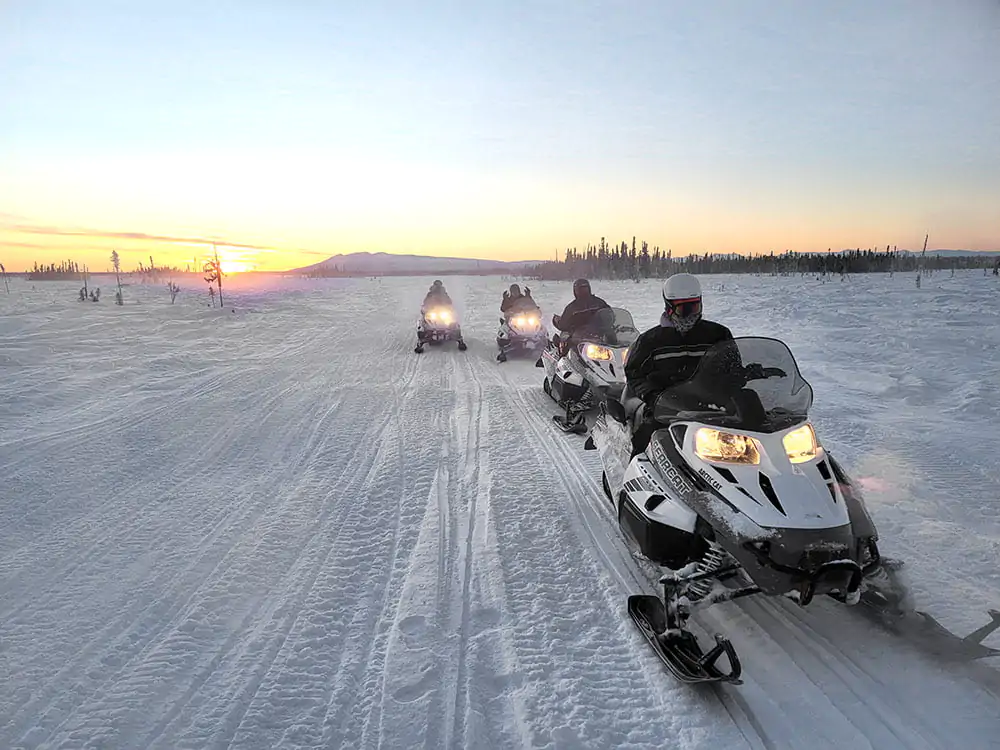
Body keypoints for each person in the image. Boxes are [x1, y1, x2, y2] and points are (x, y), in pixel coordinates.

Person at [624, 273, 733, 455]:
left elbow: (732, 365)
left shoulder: (718, 335)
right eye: (684, 309)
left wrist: (750, 373)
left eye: (695, 306)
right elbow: (635, 373)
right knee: (646, 439)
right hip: (667, 408)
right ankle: (632, 476)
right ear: (669, 309)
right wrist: (652, 395)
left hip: (711, 404)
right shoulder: (650, 341)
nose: (691, 314)